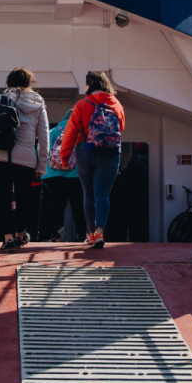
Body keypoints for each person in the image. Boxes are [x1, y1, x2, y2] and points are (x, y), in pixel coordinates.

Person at [0, 67, 49, 253]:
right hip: (25, 158)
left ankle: (7, 239)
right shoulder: (38, 102)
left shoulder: (0, 99)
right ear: (29, 82)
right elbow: (44, 137)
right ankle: (20, 235)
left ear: (8, 82)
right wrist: (42, 165)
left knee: (4, 196)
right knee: (23, 197)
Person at [60, 71, 126, 249]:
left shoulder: (82, 104)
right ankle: (100, 232)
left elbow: (71, 132)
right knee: (103, 194)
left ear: (90, 85)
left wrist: (64, 157)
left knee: (88, 195)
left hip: (85, 151)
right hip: (110, 153)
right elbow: (121, 126)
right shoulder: (116, 104)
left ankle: (90, 234)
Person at [39, 109, 88, 243]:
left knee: (56, 207)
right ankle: (83, 235)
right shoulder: (81, 133)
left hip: (54, 176)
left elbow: (41, 150)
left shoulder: (53, 132)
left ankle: (56, 235)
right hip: (76, 176)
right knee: (78, 206)